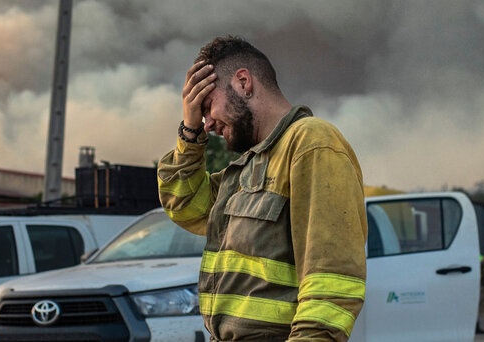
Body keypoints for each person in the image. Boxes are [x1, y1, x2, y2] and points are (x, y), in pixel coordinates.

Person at [157, 35, 368, 342]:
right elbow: (185, 204)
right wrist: (189, 133)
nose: (207, 124)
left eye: (207, 106)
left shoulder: (312, 143)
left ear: (243, 82)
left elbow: (331, 284)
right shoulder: (246, 168)